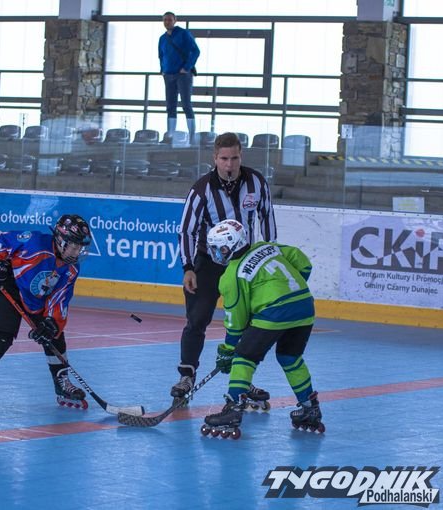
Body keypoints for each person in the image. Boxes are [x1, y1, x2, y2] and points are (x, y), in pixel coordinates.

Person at [172, 132, 277, 406]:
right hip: (208, 262)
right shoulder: (201, 189)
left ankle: (243, 381)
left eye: (234, 158)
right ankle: (186, 377)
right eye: (224, 159)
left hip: (244, 264)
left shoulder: (256, 182)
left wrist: (268, 256)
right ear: (215, 158)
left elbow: (267, 219)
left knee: (248, 325)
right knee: (197, 320)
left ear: (241, 156)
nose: (229, 164)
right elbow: (187, 230)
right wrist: (188, 267)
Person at [200, 219, 324, 438]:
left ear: (233, 245)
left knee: (244, 357)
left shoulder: (231, 276)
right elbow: (303, 262)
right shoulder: (267, 247)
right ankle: (309, 408)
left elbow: (236, 322)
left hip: (274, 312)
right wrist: (289, 291)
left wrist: (229, 350)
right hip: (304, 306)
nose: (217, 253)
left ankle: (233, 407)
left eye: (220, 248)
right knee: (290, 358)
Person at [0, 214, 92, 411]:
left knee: (54, 335)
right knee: (2, 335)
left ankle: (62, 381)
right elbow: (2, 239)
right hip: (10, 286)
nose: (77, 251)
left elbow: (60, 299)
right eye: (73, 245)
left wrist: (52, 323)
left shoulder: (71, 268)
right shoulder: (35, 242)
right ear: (60, 239)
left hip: (37, 299)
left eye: (79, 247)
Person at [158, 11, 200, 143]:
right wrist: (163, 70)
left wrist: (186, 67)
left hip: (183, 75)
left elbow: (196, 51)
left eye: (169, 20)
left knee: (186, 104)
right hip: (168, 74)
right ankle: (170, 134)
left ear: (175, 20)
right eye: (165, 20)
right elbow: (161, 55)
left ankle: (192, 135)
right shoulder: (162, 38)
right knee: (170, 105)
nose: (167, 22)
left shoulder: (183, 33)